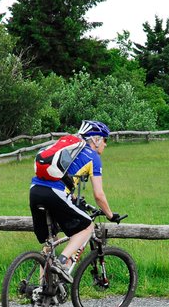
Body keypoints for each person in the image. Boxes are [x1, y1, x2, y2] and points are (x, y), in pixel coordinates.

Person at [29, 120, 123, 282]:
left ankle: (42, 288)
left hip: (35, 190)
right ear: (96, 139)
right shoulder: (92, 157)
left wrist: (74, 199)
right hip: (54, 192)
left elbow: (65, 177)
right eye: (105, 140)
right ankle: (64, 261)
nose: (106, 145)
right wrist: (110, 215)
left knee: (51, 241)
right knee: (87, 226)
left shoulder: (71, 151)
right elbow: (99, 195)